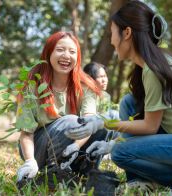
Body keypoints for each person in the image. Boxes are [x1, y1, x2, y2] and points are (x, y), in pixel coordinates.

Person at [65, 1, 172, 195]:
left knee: (120, 152)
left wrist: (103, 124)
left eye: (112, 32)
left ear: (126, 33)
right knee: (130, 102)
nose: (111, 40)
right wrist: (114, 139)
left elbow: (150, 127)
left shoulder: (153, 69)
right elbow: (145, 119)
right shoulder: (149, 65)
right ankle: (140, 180)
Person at [16, 31, 107, 183]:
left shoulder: (86, 86)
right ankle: (54, 171)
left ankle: (84, 172)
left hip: (73, 146)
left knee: (101, 124)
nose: (66, 55)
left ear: (77, 58)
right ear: (48, 53)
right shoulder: (32, 86)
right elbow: (26, 133)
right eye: (60, 50)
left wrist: (76, 146)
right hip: (37, 149)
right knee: (71, 121)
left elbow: (90, 122)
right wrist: (30, 161)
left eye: (72, 52)